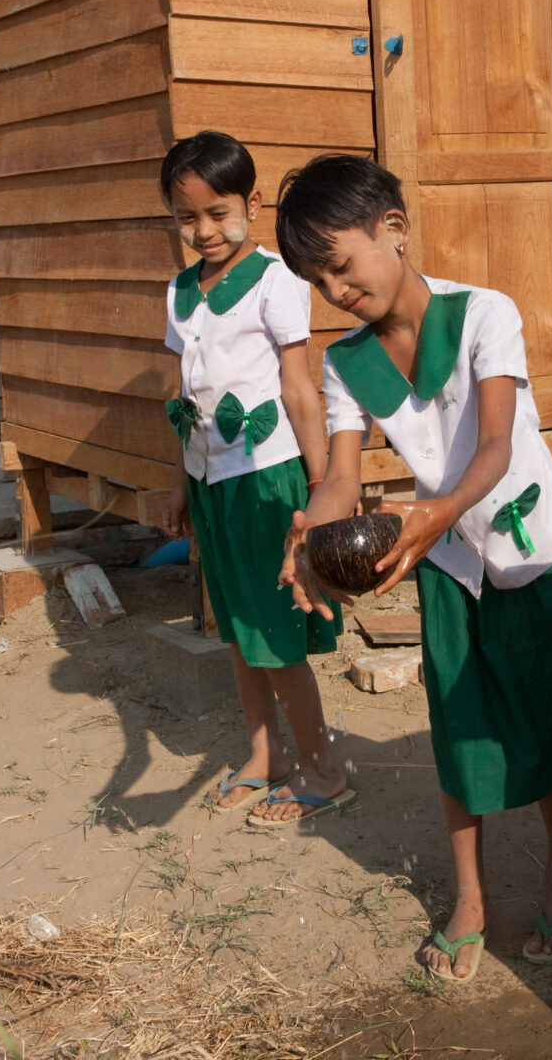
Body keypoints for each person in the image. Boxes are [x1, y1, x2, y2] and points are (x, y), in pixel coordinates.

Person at [275, 154, 552, 979]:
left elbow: (494, 446)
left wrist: (437, 510)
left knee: (551, 719)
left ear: (394, 230)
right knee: (460, 736)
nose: (337, 291)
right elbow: (343, 475)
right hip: (450, 565)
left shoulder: (486, 313)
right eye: (319, 281)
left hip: (531, 546)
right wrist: (310, 528)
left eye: (341, 266)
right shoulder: (346, 362)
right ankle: (471, 897)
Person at [161, 131, 354, 825]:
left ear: (253, 202)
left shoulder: (277, 281)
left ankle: (323, 770)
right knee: (239, 631)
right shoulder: (180, 293)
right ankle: (265, 755)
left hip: (267, 481)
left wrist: (322, 489)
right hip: (212, 486)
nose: (204, 230)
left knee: (274, 633)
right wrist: (182, 483)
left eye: (218, 212)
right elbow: (184, 393)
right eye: (187, 218)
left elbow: (300, 391)